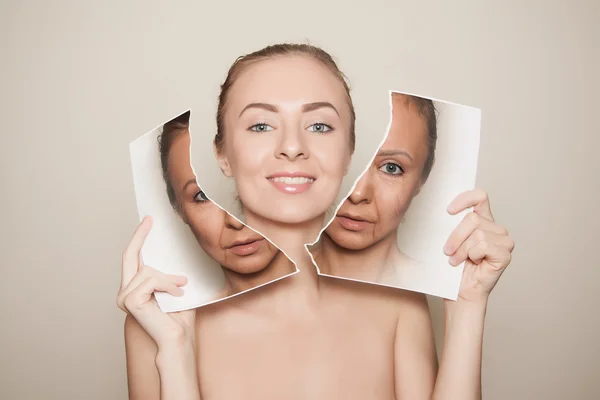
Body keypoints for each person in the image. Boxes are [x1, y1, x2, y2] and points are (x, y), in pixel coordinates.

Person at [118, 43, 515, 400]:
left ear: (349, 151)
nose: (292, 147)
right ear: (223, 155)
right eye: (261, 125)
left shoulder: (398, 307)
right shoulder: (156, 327)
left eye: (320, 126)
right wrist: (175, 352)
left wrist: (468, 305)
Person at [158, 113, 296, 298]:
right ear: (178, 208)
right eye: (203, 195)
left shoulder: (347, 303)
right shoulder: (173, 324)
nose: (235, 221)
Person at [310, 92, 440, 287]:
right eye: (341, 155)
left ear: (423, 177)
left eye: (391, 168)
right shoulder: (267, 276)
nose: (357, 193)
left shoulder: (417, 296)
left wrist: (470, 301)